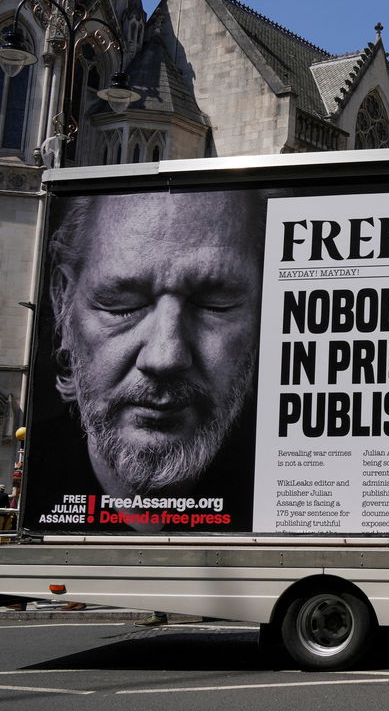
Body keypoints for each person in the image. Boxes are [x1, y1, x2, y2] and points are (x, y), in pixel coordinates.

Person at [32, 189, 264, 528]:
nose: (165, 357)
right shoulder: (35, 481)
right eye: (122, 305)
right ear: (61, 299)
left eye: (214, 305)